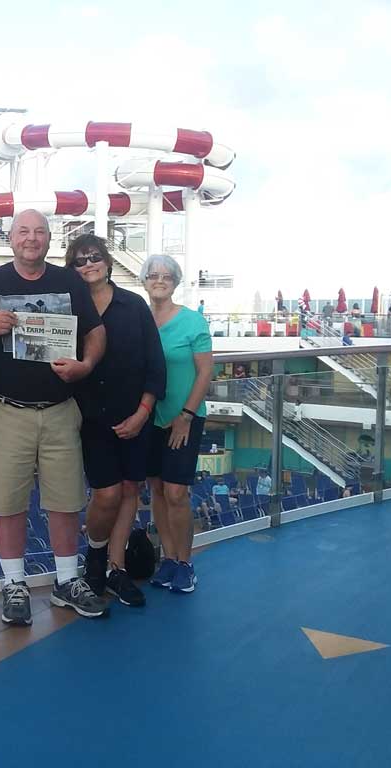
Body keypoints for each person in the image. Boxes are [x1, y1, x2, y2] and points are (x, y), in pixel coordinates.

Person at [0, 209, 107, 624]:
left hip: (60, 409)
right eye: (24, 231)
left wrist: (85, 365)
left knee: (65, 500)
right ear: (11, 239)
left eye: (39, 232)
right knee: (8, 503)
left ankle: (67, 580)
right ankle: (14, 584)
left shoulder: (69, 282)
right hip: (5, 409)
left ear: (48, 239)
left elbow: (95, 332)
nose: (31, 238)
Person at [66, 234, 165, 608]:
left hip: (134, 415)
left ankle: (116, 568)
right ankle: (95, 557)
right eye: (79, 260)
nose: (88, 264)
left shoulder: (133, 305)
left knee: (129, 490)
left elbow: (155, 364)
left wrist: (142, 413)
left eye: (94, 257)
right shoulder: (67, 310)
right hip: (90, 418)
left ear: (107, 262)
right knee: (106, 493)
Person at [142, 254, 213, 594]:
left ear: (175, 282)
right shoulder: (140, 319)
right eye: (153, 275)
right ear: (144, 281)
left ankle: (185, 563)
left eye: (166, 276)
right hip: (149, 417)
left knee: (176, 492)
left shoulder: (193, 322)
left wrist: (186, 415)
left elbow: (205, 372)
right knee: (156, 489)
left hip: (184, 417)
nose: (159, 280)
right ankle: (168, 559)